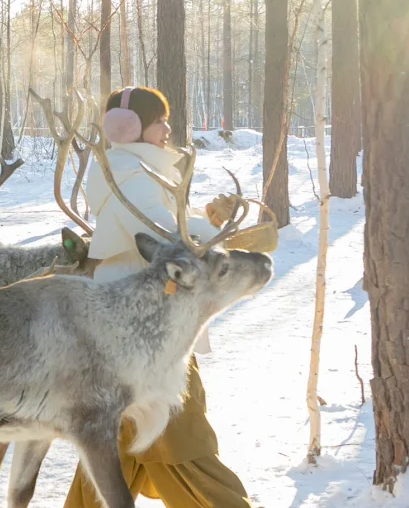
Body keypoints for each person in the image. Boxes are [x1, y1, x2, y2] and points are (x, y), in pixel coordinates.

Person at [62, 86, 270, 508]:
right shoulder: (128, 172)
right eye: (159, 120)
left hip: (141, 320)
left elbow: (170, 227)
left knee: (120, 438)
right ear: (130, 127)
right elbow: (169, 239)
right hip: (146, 324)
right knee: (179, 432)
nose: (167, 128)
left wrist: (207, 221)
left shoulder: (131, 168)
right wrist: (227, 240)